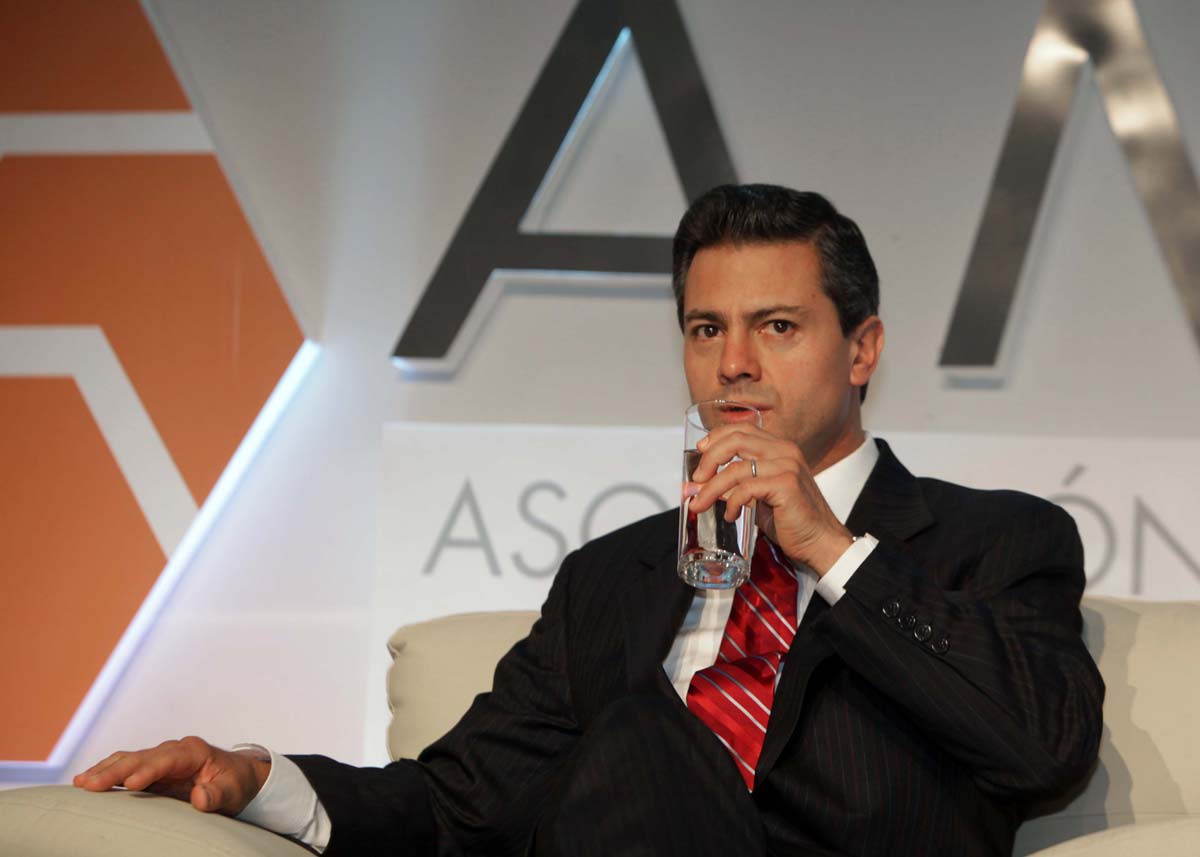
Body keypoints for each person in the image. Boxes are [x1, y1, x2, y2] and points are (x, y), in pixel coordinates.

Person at [75, 184, 1104, 856]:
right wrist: (260, 777)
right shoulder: (612, 578)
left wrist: (831, 550)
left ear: (863, 349)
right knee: (633, 745)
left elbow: (1045, 745)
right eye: (706, 328)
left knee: (640, 735)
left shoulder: (996, 541)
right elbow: (463, 798)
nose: (733, 364)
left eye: (777, 326)